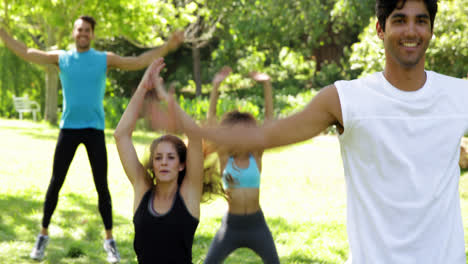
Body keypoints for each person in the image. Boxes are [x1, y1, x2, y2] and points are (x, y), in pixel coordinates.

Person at [166, 0, 468, 263]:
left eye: (421, 20)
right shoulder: (346, 98)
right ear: (380, 29)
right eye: (400, 20)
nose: (411, 31)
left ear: (431, 30)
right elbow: (270, 134)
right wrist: (187, 125)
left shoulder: (459, 95)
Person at [0, 15, 184, 263]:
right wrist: (4, 34)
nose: (83, 33)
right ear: (74, 33)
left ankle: (109, 241)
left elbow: (137, 61)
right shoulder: (62, 58)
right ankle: (42, 236)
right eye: (79, 29)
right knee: (55, 183)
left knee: (101, 187)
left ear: (92, 34)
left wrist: (167, 46)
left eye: (87, 30)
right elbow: (29, 51)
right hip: (69, 129)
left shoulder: (103, 59)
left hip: (94, 129)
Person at [114, 58, 221, 264]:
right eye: (158, 157)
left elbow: (195, 136)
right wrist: (143, 88)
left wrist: (166, 98)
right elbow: (121, 135)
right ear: (152, 164)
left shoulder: (189, 193)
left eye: (171, 157)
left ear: (181, 165)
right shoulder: (143, 189)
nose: (163, 162)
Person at [201, 67, 279, 263]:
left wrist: (267, 84)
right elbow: (211, 123)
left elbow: (269, 121)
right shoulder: (225, 157)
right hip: (231, 226)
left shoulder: (256, 155)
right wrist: (216, 86)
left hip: (257, 225)